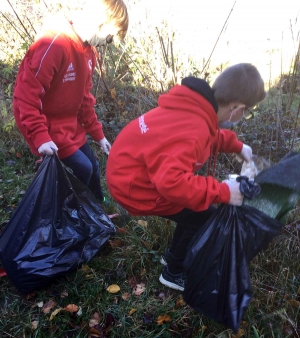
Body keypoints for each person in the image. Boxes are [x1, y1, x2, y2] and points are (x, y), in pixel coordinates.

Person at [106, 63, 266, 290]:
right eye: (247, 111)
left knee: (195, 208)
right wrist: (223, 192)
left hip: (129, 173)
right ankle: (174, 271)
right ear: (236, 107)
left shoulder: (195, 108)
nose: (244, 115)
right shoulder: (195, 126)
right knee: (204, 214)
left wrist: (236, 146)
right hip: (134, 187)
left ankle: (173, 255)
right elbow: (171, 184)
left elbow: (209, 134)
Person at [13, 0, 128, 202]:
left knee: (93, 165)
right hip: (45, 125)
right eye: (109, 37)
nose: (107, 42)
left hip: (68, 125)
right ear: (100, 23)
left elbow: (84, 100)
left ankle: (95, 213)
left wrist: (99, 136)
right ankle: (69, 214)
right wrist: (41, 137)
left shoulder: (88, 52)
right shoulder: (54, 42)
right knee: (83, 168)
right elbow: (25, 95)